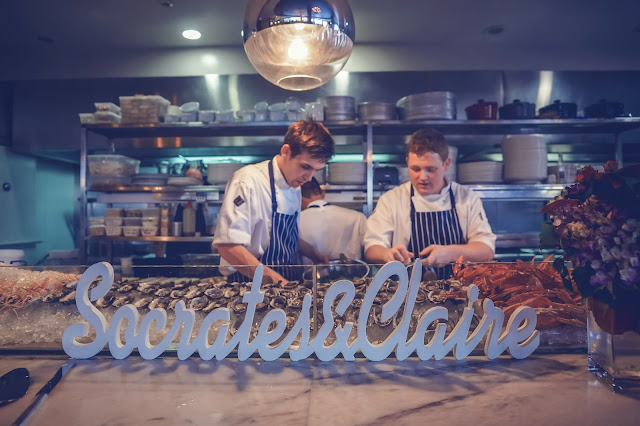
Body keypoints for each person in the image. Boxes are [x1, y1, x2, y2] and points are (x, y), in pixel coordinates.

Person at [364, 128, 495, 278]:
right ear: (407, 162)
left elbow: (486, 249)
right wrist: (387, 254)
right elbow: (372, 249)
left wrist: (450, 253)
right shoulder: (391, 199)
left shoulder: (466, 198)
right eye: (415, 169)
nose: (422, 177)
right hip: (404, 290)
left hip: (458, 288)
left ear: (446, 164)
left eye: (430, 169)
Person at [213, 120, 334, 284]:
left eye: (316, 170)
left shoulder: (295, 186)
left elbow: (282, 236)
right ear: (286, 151)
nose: (309, 177)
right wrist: (278, 282)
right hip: (249, 286)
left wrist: (314, 253)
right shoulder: (248, 181)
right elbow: (228, 248)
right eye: (305, 167)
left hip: (288, 284)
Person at [299, 177, 367, 263]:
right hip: (354, 271)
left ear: (299, 198)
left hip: (309, 271)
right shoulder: (358, 217)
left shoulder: (297, 221)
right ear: (323, 193)